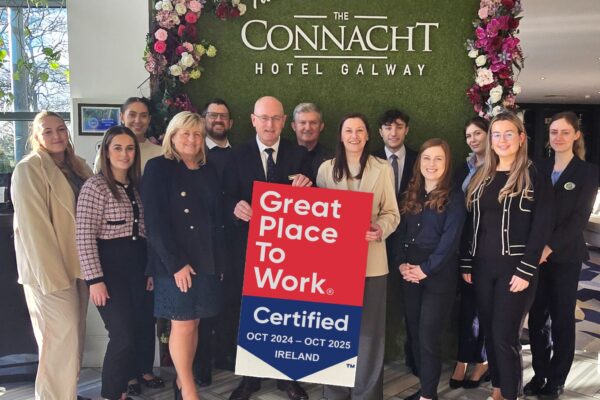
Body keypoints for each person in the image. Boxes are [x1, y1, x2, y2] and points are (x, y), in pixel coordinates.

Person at [224, 96, 312, 400]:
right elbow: (224, 197)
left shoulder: (298, 154)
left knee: (287, 314)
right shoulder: (236, 156)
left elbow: (315, 200)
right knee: (249, 313)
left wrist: (307, 184)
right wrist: (234, 207)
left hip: (290, 253)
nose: (270, 124)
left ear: (284, 121)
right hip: (249, 250)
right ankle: (250, 378)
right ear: (253, 120)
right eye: (264, 118)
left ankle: (287, 378)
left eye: (275, 118)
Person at [462, 111, 553, 400]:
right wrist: (467, 261)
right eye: (496, 134)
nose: (501, 140)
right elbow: (470, 223)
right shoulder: (481, 176)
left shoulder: (534, 175)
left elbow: (542, 225)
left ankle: (512, 395)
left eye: (508, 133)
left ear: (521, 137)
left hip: (515, 270)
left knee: (505, 336)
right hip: (482, 267)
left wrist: (526, 269)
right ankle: (499, 392)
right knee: (490, 333)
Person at [142, 111, 227, 400]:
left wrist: (220, 261)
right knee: (183, 322)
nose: (192, 139)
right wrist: (176, 263)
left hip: (206, 260)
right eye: (186, 133)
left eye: (197, 134)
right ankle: (188, 389)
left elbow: (216, 219)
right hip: (175, 262)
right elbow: (154, 224)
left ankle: (182, 380)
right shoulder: (158, 168)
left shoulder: (208, 169)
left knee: (196, 322)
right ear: (173, 136)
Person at [317, 113, 400, 400]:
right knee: (334, 332)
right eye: (348, 130)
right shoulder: (326, 170)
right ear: (340, 135)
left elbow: (392, 213)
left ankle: (366, 394)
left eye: (359, 130)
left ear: (367, 136)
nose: (354, 135)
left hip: (373, 264)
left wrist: (379, 229)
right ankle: (335, 392)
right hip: (335, 265)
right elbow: (318, 219)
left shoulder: (383, 168)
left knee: (370, 336)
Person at [11, 110, 92, 400]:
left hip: (78, 267)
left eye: (60, 129)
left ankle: (66, 392)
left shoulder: (77, 166)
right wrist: (52, 278)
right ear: (36, 137)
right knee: (59, 339)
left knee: (74, 337)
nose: (57, 136)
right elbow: (34, 230)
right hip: (50, 272)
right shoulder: (29, 169)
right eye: (48, 131)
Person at [525, 111, 598, 399]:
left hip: (565, 257)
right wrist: (534, 248)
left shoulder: (588, 172)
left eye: (565, 132)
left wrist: (548, 247)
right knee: (536, 319)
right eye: (554, 132)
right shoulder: (537, 168)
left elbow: (578, 219)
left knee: (562, 319)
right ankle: (540, 374)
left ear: (576, 135)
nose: (559, 137)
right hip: (536, 257)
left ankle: (557, 379)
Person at [76, 126, 146, 400]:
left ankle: (122, 392)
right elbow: (83, 236)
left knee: (137, 331)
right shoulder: (94, 186)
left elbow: (145, 233)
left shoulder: (137, 186)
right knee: (122, 335)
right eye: (117, 147)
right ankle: (110, 394)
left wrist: (150, 270)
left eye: (129, 148)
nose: (124, 154)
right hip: (109, 272)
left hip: (138, 270)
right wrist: (95, 280)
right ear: (106, 151)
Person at [396, 139, 466, 400]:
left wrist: (425, 269)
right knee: (414, 332)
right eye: (427, 158)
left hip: (438, 275)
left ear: (446, 163)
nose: (431, 164)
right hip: (409, 271)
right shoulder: (410, 193)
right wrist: (402, 264)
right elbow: (400, 233)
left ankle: (428, 395)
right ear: (419, 163)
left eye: (438, 159)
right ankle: (425, 390)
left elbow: (450, 242)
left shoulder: (455, 197)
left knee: (428, 336)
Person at [373, 109, 418, 373]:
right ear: (380, 131)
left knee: (411, 305)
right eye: (388, 127)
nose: (393, 132)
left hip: (410, 241)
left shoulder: (418, 159)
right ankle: (373, 359)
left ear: (406, 130)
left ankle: (414, 358)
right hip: (375, 240)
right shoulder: (370, 160)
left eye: (398, 127)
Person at [194, 98, 236, 386]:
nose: (218, 120)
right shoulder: (193, 155)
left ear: (231, 123)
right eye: (212, 115)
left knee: (230, 303)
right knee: (201, 308)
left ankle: (224, 355)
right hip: (201, 244)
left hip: (232, 242)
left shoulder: (239, 155)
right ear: (203, 120)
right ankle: (201, 366)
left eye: (223, 116)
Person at [450, 117, 490, 389]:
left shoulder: (499, 166)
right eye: (468, 135)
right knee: (467, 308)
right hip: (465, 245)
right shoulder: (464, 167)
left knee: (487, 308)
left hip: (490, 247)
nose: (473, 139)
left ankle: (483, 362)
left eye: (478, 133)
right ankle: (463, 359)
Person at [93, 97, 163, 174]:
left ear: (149, 119)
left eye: (143, 116)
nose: (137, 120)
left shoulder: (160, 153)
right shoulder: (108, 149)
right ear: (122, 117)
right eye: (132, 115)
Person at [291, 102, 333, 181]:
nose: (307, 128)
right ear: (294, 126)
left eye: (313, 123)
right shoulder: (282, 155)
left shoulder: (331, 159)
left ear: (321, 126)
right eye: (302, 123)